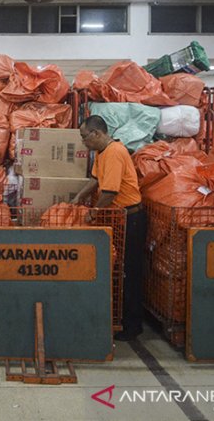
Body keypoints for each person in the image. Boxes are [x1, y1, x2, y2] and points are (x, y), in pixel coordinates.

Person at [72, 115, 146, 341]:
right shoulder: (101, 152)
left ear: (97, 134)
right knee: (120, 270)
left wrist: (93, 213)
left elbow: (110, 192)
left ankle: (132, 326)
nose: (83, 142)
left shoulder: (114, 152)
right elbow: (96, 180)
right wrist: (78, 198)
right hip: (119, 217)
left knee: (129, 272)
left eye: (85, 137)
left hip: (131, 218)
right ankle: (121, 319)